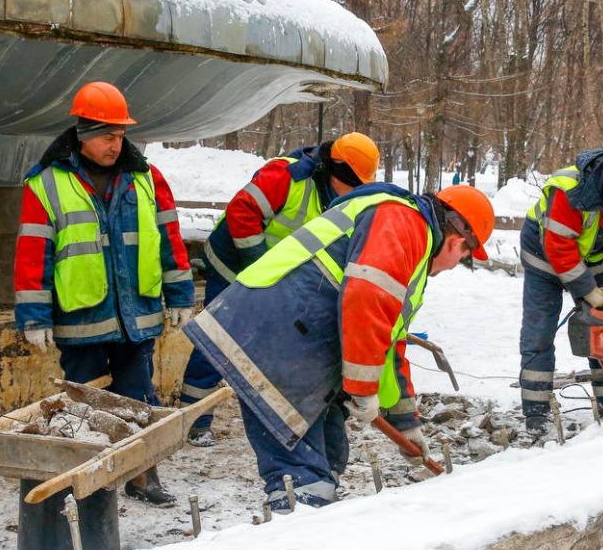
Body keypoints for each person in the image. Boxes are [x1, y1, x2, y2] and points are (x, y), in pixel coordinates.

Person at [184, 184, 494, 512]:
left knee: (331, 453)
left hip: (298, 345)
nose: (454, 264)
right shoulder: (401, 221)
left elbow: (391, 344)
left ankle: (313, 516)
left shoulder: (411, 246)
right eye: (463, 257)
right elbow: (366, 299)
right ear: (458, 240)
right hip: (270, 339)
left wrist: (407, 423)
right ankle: (297, 537)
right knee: (304, 479)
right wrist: (361, 389)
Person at [13, 81, 195, 506]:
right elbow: (32, 252)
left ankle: (142, 475)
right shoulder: (47, 184)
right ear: (83, 134)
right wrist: (34, 316)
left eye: (120, 136)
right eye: (107, 136)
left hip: (138, 316)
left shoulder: (146, 178)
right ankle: (90, 487)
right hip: (81, 318)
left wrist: (181, 295)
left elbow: (169, 237)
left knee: (138, 402)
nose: (116, 145)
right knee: (82, 406)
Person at [180, 132, 379, 446]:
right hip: (233, 266)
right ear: (336, 171)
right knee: (218, 340)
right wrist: (260, 267)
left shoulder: (341, 198)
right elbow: (242, 211)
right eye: (353, 183)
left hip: (272, 281)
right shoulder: (289, 176)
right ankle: (193, 419)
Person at [518, 150, 603, 428]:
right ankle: (536, 409)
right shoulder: (569, 191)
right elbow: (559, 248)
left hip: (591, 259)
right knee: (539, 330)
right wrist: (587, 290)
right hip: (544, 259)